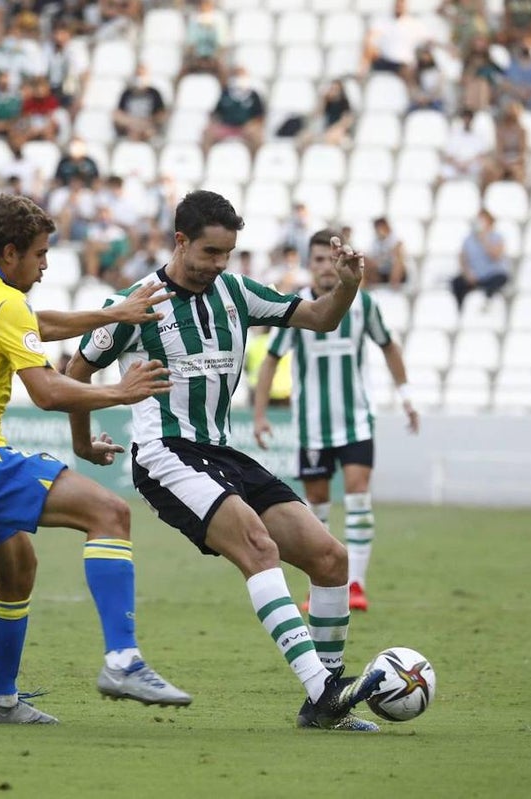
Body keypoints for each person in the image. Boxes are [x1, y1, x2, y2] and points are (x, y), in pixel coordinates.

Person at [66, 191, 386, 732]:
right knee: (258, 547)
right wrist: (82, 442)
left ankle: (323, 707)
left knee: (331, 559)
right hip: (166, 454)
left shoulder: (235, 291)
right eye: (210, 253)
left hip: (224, 453)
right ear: (181, 241)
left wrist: (349, 284)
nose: (218, 265)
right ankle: (325, 690)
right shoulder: (137, 302)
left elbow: (318, 317)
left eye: (228, 254)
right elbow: (76, 373)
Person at [0, 193, 191, 725]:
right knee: (110, 514)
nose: (45, 266)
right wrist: (119, 393)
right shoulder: (3, 302)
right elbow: (46, 392)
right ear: (12, 252)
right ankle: (124, 660)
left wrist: (111, 315)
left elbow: (37, 322)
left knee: (18, 572)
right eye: (40, 255)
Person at [252, 228, 420, 613]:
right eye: (318, 260)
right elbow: (271, 360)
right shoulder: (295, 309)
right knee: (317, 506)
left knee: (359, 494)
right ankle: (323, 583)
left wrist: (407, 396)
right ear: (309, 265)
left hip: (357, 420)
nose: (325, 267)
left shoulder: (364, 305)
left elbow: (389, 345)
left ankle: (356, 584)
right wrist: (260, 415)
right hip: (312, 426)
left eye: (330, 259)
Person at [452, 209, 509, 306]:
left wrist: (483, 239)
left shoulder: (497, 237)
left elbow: (495, 256)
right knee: (457, 282)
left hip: (493, 274)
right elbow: (463, 259)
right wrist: (468, 274)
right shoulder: (468, 239)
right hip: (475, 276)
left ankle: (487, 304)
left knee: (499, 279)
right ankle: (460, 310)